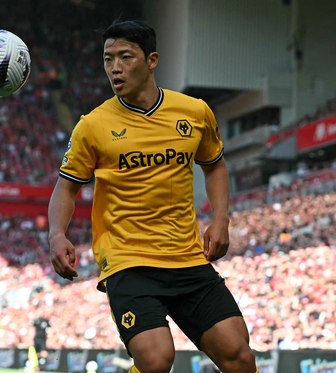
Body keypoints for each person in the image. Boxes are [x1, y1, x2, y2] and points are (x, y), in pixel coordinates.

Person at [48, 20, 258, 373]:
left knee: (239, 357)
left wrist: (220, 218)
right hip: (128, 260)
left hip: (187, 257)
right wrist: (57, 234)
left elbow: (215, 166)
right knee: (157, 359)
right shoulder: (93, 126)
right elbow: (66, 186)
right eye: (107, 58)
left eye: (125, 57)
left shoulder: (194, 112)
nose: (115, 67)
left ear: (152, 60)